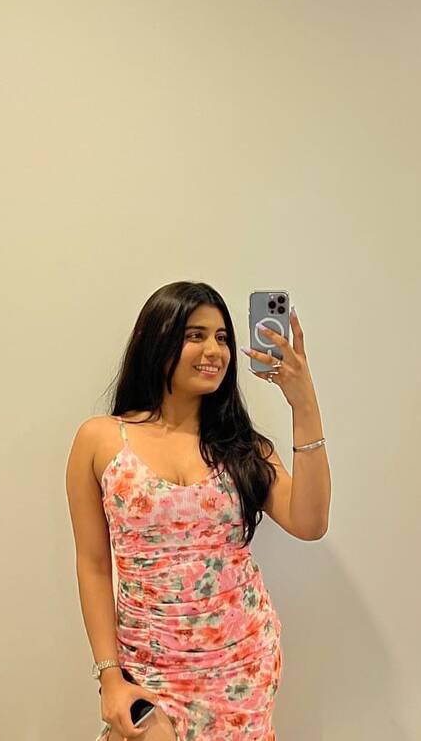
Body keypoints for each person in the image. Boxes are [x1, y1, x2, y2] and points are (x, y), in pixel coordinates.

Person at [66, 281, 331, 741]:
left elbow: (310, 523)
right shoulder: (100, 440)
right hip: (148, 668)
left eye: (222, 338)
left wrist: (303, 402)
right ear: (157, 339)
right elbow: (93, 565)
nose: (214, 350)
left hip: (241, 665)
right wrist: (109, 676)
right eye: (195, 335)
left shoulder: (244, 448)